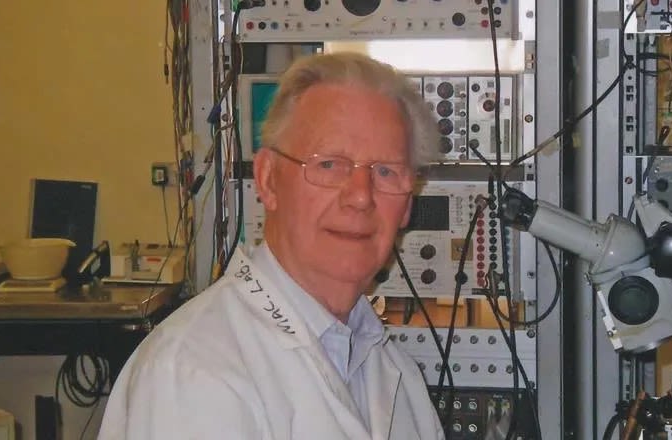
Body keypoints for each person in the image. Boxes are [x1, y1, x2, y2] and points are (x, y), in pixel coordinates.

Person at [98, 52, 444, 439]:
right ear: (268, 180)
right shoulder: (195, 375)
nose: (361, 197)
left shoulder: (390, 368)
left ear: (408, 204)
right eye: (329, 164)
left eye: (386, 171)